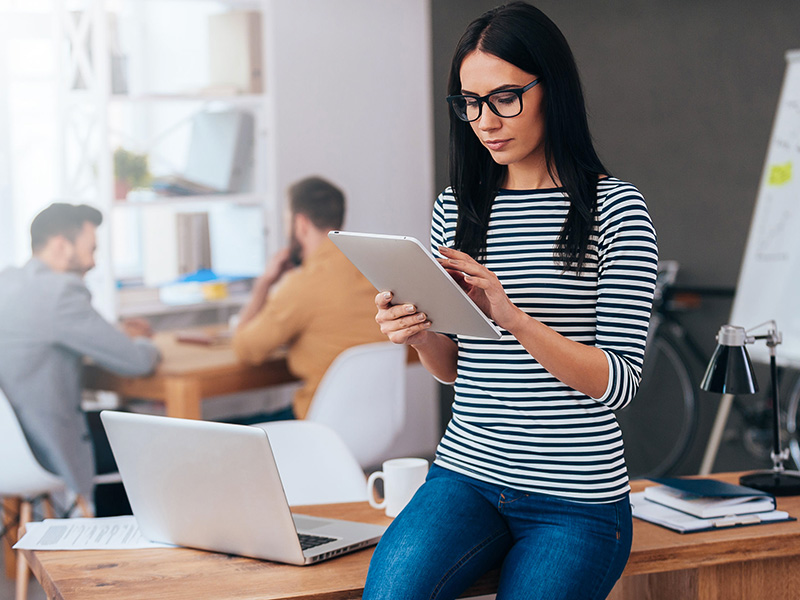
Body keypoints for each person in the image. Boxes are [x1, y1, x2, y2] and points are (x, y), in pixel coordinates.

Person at [363, 3, 658, 599]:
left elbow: (620, 382)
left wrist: (511, 315)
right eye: (470, 103)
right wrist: (419, 332)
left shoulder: (616, 209)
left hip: (576, 503)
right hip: (465, 478)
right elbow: (455, 369)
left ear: (553, 90)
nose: (485, 121)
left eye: (505, 98)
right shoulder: (460, 207)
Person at [0, 203, 161, 515]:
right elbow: (137, 362)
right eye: (91, 249)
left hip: (9, 447)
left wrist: (111, 332)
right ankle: (126, 545)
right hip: (48, 450)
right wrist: (145, 340)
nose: (93, 262)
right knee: (151, 439)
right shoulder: (60, 292)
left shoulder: (8, 281)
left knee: (122, 418)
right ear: (62, 245)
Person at [232, 176, 385, 419]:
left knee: (216, 433)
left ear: (300, 224)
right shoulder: (376, 270)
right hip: (375, 421)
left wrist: (262, 286)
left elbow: (245, 349)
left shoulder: (303, 284)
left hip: (318, 423)